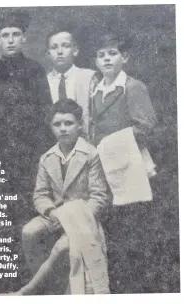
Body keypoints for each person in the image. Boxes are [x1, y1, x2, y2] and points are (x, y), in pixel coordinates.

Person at [14, 99, 111, 295]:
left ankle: (35, 290)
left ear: (79, 125)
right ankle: (47, 287)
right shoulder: (47, 157)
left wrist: (72, 220)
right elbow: (40, 194)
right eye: (57, 124)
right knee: (29, 231)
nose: (63, 129)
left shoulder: (90, 154)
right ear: (51, 128)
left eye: (68, 123)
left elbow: (99, 196)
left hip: (82, 217)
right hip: (55, 214)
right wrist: (52, 212)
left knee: (63, 246)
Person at [90, 32, 158, 293]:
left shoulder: (132, 86)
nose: (107, 58)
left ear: (125, 57)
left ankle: (134, 285)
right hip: (103, 167)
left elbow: (146, 126)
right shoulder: (96, 88)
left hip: (128, 163)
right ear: (95, 61)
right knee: (110, 225)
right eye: (101, 54)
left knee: (131, 222)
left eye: (113, 53)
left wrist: (109, 145)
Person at [0, 9, 53, 227]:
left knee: (30, 208)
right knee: (2, 212)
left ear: (24, 38)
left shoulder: (36, 70)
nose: (11, 40)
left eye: (16, 34)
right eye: (6, 35)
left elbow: (45, 112)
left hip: (29, 152)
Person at [45, 27, 97, 138]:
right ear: (48, 54)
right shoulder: (44, 82)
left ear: (75, 50)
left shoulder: (89, 78)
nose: (59, 51)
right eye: (54, 47)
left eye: (65, 46)